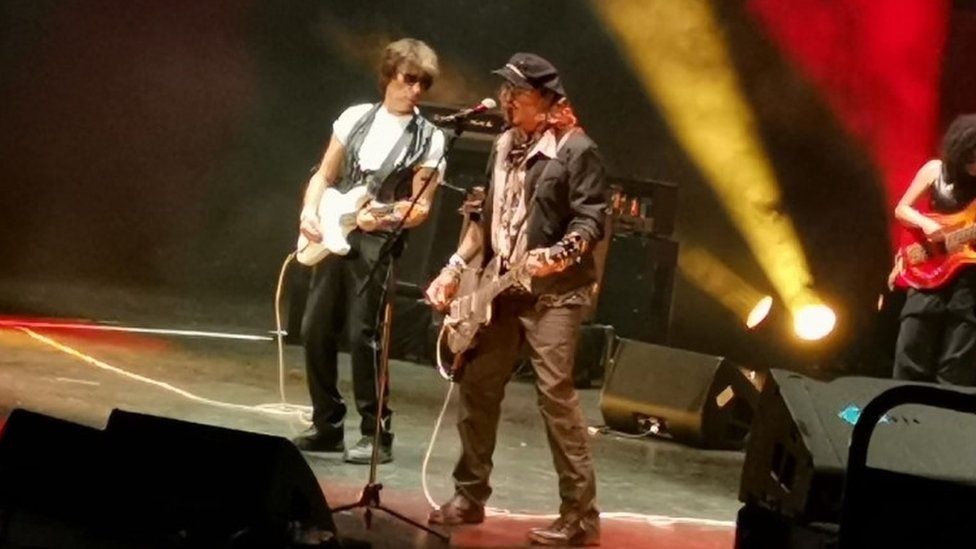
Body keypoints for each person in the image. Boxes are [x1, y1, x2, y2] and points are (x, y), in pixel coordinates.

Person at [425, 52, 605, 546]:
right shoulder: (503, 144)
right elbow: (485, 222)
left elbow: (591, 221)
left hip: (555, 294)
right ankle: (469, 494)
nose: (506, 99)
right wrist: (454, 269)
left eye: (517, 92)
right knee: (478, 384)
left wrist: (561, 254)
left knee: (555, 395)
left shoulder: (576, 149)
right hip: (502, 288)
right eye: (505, 90)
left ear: (547, 100)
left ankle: (580, 517)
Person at [292, 38, 445, 464]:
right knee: (315, 328)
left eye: (424, 84)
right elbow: (326, 174)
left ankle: (376, 432)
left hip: (377, 239)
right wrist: (309, 211)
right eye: (408, 79)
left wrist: (385, 217)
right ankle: (327, 424)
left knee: (364, 334)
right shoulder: (356, 118)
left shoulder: (429, 139)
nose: (415, 90)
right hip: (335, 228)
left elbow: (421, 208)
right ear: (388, 76)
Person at [892, 114, 976, 385]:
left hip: (969, 279)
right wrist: (925, 223)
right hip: (929, 267)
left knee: (957, 361)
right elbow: (902, 209)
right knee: (912, 348)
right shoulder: (934, 171)